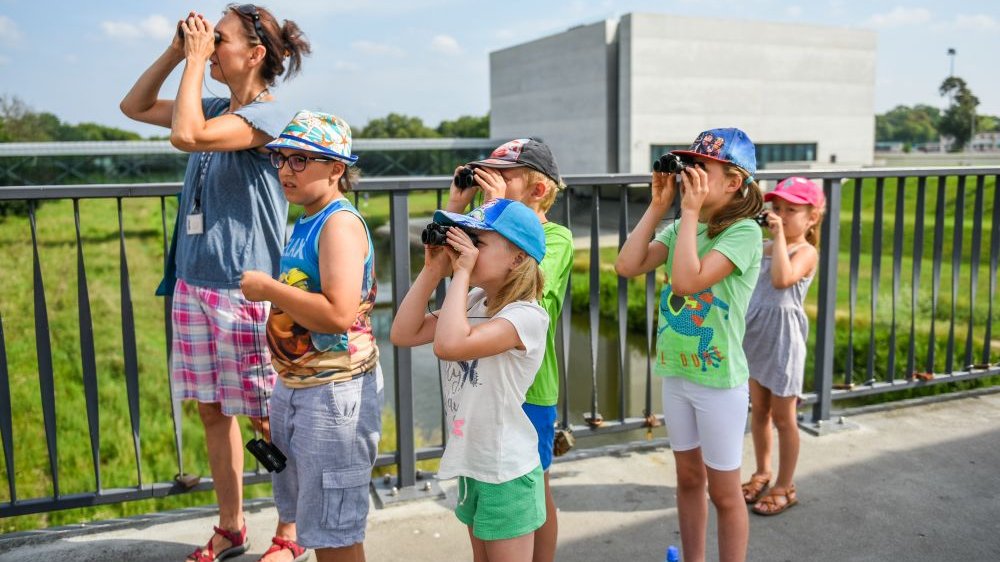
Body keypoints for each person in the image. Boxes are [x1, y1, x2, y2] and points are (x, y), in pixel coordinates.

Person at [119, 5, 309, 561]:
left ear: (254, 55)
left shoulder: (269, 118)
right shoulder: (213, 104)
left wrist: (195, 60)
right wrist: (178, 54)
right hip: (194, 283)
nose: (206, 42)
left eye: (216, 38)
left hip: (244, 290)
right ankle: (231, 526)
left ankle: (291, 532)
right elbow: (132, 107)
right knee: (211, 410)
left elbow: (187, 136)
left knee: (268, 416)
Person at [614, 128, 764, 562]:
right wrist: (660, 206)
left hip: (719, 381)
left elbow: (686, 281)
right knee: (687, 480)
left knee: (725, 491)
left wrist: (690, 213)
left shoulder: (744, 233)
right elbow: (628, 264)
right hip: (677, 373)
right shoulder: (684, 224)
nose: (690, 175)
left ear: (734, 182)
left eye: (702, 169)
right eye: (688, 167)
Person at [240, 111, 381, 562]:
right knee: (314, 517)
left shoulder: (338, 224)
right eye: (282, 158)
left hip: (333, 392)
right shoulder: (308, 217)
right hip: (304, 386)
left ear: (336, 169)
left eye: (301, 160)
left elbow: (338, 315)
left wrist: (267, 289)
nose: (285, 170)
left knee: (334, 530)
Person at [390, 199, 549, 562]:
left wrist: (460, 271)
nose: (467, 248)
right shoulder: (476, 300)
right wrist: (432, 271)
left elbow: (448, 345)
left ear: (518, 258)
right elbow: (403, 333)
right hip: (473, 463)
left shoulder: (526, 317)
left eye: (478, 242)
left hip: (506, 471)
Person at [443, 139, 572, 562]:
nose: (488, 182)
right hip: (485, 384)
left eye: (503, 176)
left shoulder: (554, 239)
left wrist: (497, 211)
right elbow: (461, 289)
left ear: (538, 190)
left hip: (529, 386)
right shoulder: (488, 240)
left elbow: (531, 290)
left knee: (535, 487)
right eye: (484, 174)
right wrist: (460, 212)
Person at [740, 177, 825, 517]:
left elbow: (781, 280)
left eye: (792, 210)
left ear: (812, 217)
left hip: (783, 340)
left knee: (784, 417)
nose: (782, 215)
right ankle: (762, 471)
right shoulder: (764, 245)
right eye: (777, 208)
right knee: (759, 411)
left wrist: (776, 237)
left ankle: (785, 485)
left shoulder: (805, 252)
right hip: (756, 335)